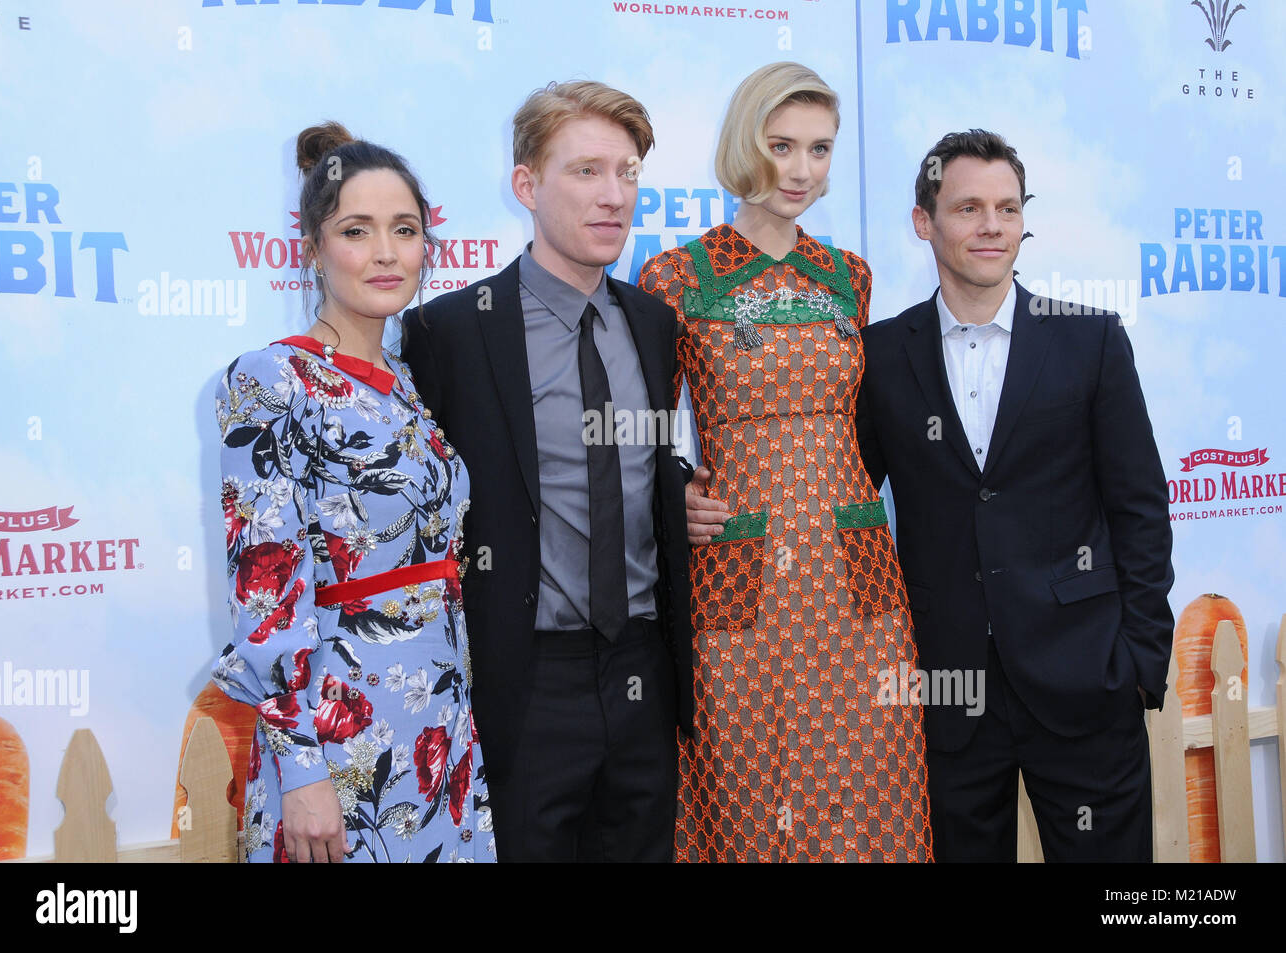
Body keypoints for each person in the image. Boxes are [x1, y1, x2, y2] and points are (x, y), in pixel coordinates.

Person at [639, 62, 933, 862]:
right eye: (782, 146)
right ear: (745, 145)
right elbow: (643, 436)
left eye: (820, 149)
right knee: (743, 782)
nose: (802, 170)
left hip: (857, 575)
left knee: (871, 780)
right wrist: (678, 493)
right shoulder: (674, 276)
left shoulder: (851, 278)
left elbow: (872, 424)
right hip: (740, 572)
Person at [855, 129, 1174, 862]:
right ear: (923, 221)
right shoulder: (879, 356)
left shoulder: (1088, 339)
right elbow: (839, 494)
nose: (992, 225)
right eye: (969, 207)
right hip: (947, 693)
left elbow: (1140, 507)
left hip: (1086, 682)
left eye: (1007, 207)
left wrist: (1139, 662)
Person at [401, 81, 694, 862]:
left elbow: (653, 473)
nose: (614, 197)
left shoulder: (656, 323)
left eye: (627, 172)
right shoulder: (450, 331)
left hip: (642, 670)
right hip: (526, 680)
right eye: (587, 171)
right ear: (526, 185)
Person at [210, 122, 494, 863]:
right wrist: (301, 772)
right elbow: (264, 594)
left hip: (440, 730)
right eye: (356, 230)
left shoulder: (408, 382)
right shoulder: (271, 380)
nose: (385, 253)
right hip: (338, 737)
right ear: (312, 247)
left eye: (404, 230)